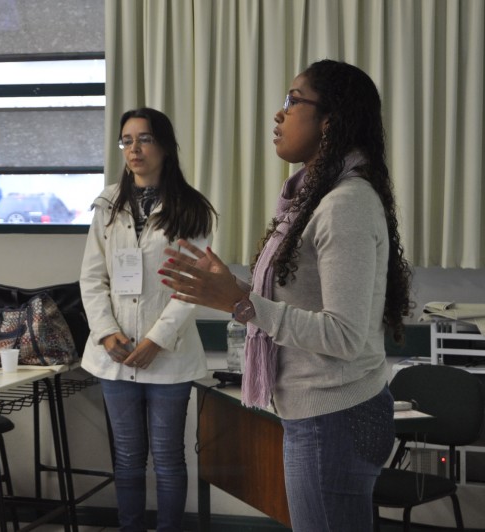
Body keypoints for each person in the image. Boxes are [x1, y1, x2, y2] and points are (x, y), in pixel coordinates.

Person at [159, 60, 413, 532]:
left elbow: (344, 335)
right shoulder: (314, 198)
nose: (279, 115)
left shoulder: (345, 205)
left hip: (334, 416)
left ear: (330, 120)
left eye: (294, 101)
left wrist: (242, 303)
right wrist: (237, 289)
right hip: (325, 414)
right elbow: (305, 303)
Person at [80, 107, 217, 531]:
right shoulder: (107, 205)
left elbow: (190, 288)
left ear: (165, 146)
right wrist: (106, 334)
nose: (134, 149)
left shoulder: (193, 210)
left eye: (144, 139)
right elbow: (92, 276)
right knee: (126, 456)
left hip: (169, 355)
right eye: (127, 140)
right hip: (115, 353)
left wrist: (156, 339)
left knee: (168, 456)